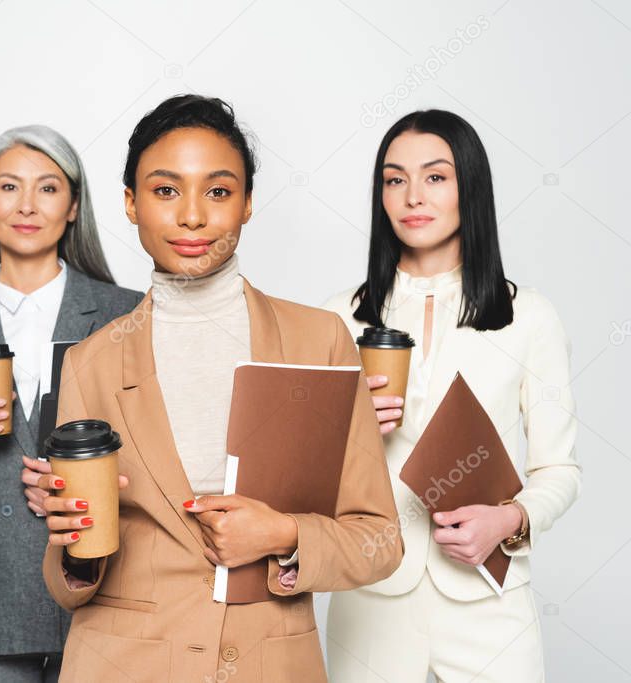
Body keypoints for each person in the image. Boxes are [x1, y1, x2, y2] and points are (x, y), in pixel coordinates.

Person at [23, 95, 402, 682]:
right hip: (124, 663)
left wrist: (283, 533)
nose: (193, 217)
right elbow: (68, 579)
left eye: (219, 191)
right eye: (166, 190)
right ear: (130, 203)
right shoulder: (89, 363)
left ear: (248, 203)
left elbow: (380, 539)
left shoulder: (318, 339)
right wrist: (73, 546)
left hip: (267, 662)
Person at [322, 109, 581, 682]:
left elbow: (559, 469)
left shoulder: (527, 317)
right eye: (394, 179)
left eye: (436, 177)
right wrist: (345, 429)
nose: (413, 195)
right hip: (372, 597)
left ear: (471, 186)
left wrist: (511, 520)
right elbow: (303, 476)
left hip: (489, 602)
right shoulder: (336, 317)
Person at [0, 125, 141, 682]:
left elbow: (157, 450)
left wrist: (95, 481)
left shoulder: (127, 314)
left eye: (48, 187)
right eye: (9, 187)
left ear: (73, 207)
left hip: (103, 583)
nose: (27, 205)